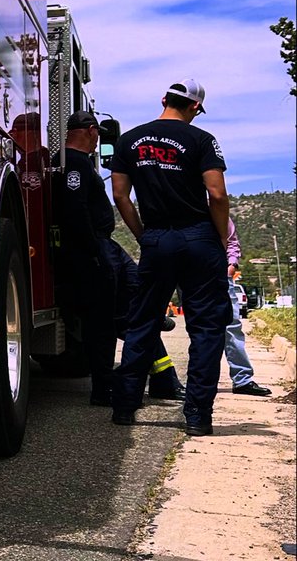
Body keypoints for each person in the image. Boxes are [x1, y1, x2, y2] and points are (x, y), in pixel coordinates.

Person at [109, 80, 231, 436]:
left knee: (143, 321)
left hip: (157, 237)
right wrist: (220, 237)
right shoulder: (202, 139)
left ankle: (125, 407)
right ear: (195, 108)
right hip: (198, 236)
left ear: (163, 100)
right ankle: (197, 416)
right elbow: (217, 193)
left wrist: (143, 235)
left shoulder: (129, 140)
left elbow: (120, 195)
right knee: (207, 327)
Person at [57, 110, 183, 406]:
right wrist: (93, 253)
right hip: (94, 249)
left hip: (106, 247)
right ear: (89, 131)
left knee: (140, 307)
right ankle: (103, 389)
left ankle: (163, 378)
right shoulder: (72, 164)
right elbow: (74, 213)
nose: (98, 140)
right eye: (97, 134)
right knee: (101, 323)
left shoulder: (79, 164)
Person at [223, 217, 271, 397]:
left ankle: (242, 379)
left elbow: (232, 242)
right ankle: (200, 382)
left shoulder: (218, 209)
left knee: (232, 327)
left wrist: (232, 265)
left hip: (221, 275)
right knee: (199, 330)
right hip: (191, 276)